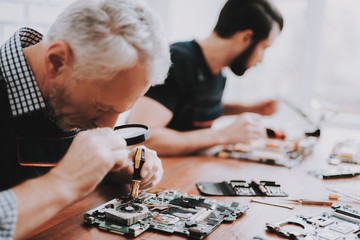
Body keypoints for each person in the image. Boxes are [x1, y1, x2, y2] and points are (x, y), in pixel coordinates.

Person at [0, 0, 171, 239]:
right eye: (101, 107)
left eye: (119, 112)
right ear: (57, 62)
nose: (108, 127)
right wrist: (65, 182)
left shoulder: (69, 92)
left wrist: (109, 168)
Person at [128, 0, 283, 156]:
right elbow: (142, 139)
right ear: (245, 37)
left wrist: (250, 108)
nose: (261, 59)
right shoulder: (177, 62)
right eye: (264, 48)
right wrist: (223, 135)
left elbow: (194, 107)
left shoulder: (218, 72)